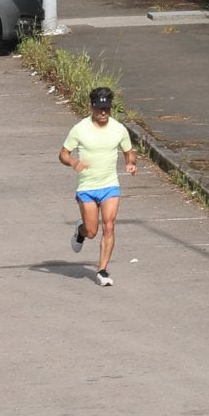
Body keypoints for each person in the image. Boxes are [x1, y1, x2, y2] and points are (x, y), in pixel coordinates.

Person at [61, 85, 137, 286]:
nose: (103, 112)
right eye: (99, 108)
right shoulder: (80, 129)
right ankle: (81, 230)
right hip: (87, 187)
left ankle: (102, 270)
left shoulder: (119, 129)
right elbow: (63, 154)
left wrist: (130, 163)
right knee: (92, 231)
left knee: (109, 226)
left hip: (110, 185)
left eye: (107, 108)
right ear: (91, 107)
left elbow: (129, 151)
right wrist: (74, 162)